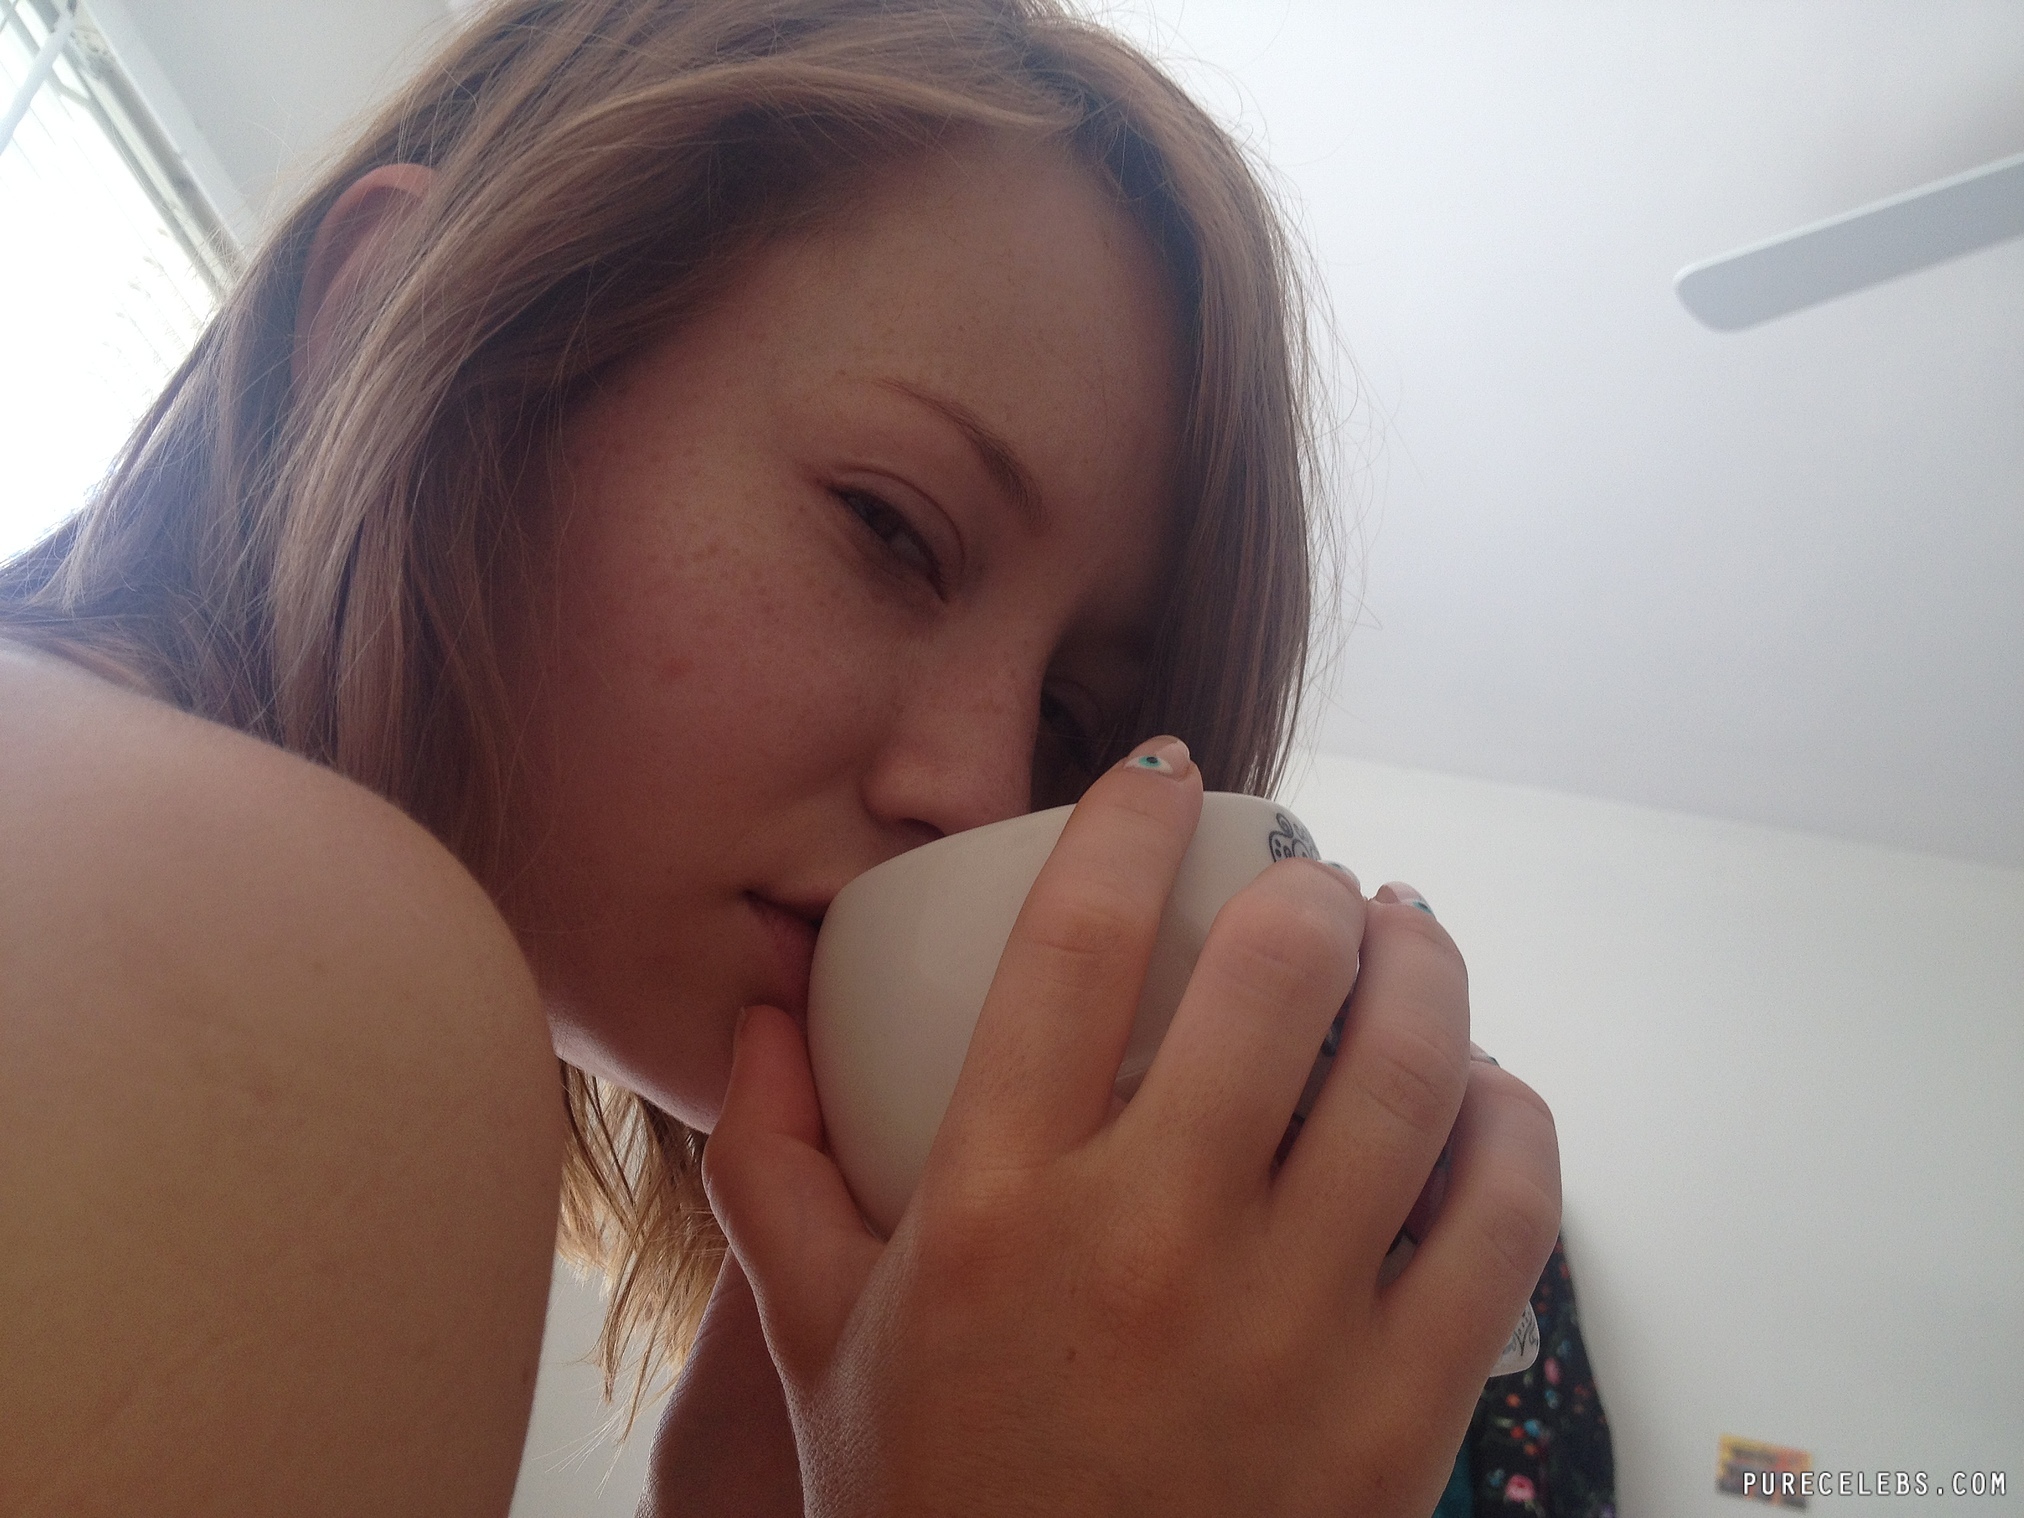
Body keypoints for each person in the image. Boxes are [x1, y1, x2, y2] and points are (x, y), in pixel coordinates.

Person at [0, 0, 1562, 1513]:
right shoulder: (283, 951)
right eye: (891, 528)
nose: (981, 794)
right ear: (391, 313)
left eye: (1072, 729)